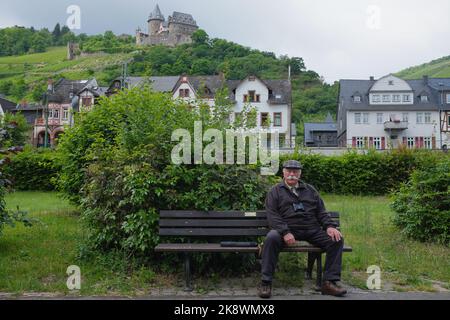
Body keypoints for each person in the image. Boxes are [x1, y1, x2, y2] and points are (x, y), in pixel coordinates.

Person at [258, 160, 347, 298]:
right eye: (289, 171)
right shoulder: (275, 191)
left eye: (295, 172)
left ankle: (329, 283)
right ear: (283, 172)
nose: (292, 174)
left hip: (311, 229)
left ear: (300, 173)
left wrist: (329, 226)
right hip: (287, 230)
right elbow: (272, 216)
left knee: (336, 240)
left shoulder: (310, 190)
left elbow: (321, 212)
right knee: (271, 238)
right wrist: (285, 232)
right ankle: (266, 282)